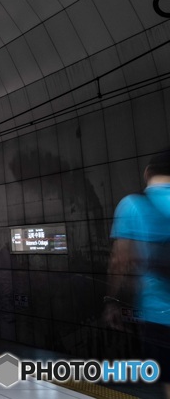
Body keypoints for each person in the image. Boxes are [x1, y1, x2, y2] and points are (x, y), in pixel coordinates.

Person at [106, 151, 170, 397]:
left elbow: (120, 260)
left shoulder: (132, 205)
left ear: (147, 173)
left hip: (159, 316)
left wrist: (111, 301)